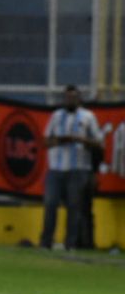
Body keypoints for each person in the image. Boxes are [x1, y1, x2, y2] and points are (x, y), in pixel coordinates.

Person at [39, 85, 103, 251]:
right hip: (56, 168)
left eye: (73, 97)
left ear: (79, 99)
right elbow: (45, 141)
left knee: (74, 207)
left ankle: (71, 243)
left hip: (79, 168)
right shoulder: (56, 116)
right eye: (67, 97)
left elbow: (99, 143)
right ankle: (46, 242)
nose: (70, 100)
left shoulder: (88, 117)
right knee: (50, 204)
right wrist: (62, 140)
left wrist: (81, 140)